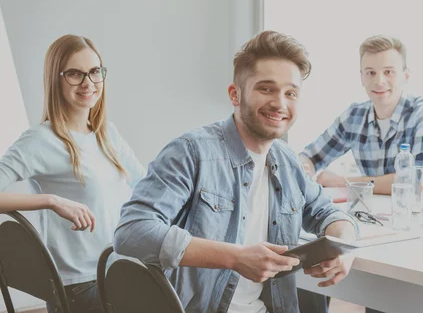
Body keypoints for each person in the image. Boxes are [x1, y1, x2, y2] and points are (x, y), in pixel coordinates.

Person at [114, 30, 358, 313]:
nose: (280, 103)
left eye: (290, 92)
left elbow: (331, 214)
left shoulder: (288, 162)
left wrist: (343, 247)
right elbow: (131, 232)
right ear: (235, 94)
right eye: (266, 88)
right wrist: (234, 257)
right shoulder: (192, 152)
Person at [0, 34, 145, 312]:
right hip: (80, 286)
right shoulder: (41, 140)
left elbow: (146, 187)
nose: (88, 83)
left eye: (94, 72)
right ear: (56, 79)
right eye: (75, 74)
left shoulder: (107, 135)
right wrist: (52, 201)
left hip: (117, 270)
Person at [299, 35, 423, 195]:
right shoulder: (353, 117)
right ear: (361, 77)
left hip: (412, 215)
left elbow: (420, 180)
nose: (379, 81)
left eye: (388, 72)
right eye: (370, 73)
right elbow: (310, 157)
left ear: (406, 75)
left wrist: (343, 181)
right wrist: (303, 171)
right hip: (369, 213)